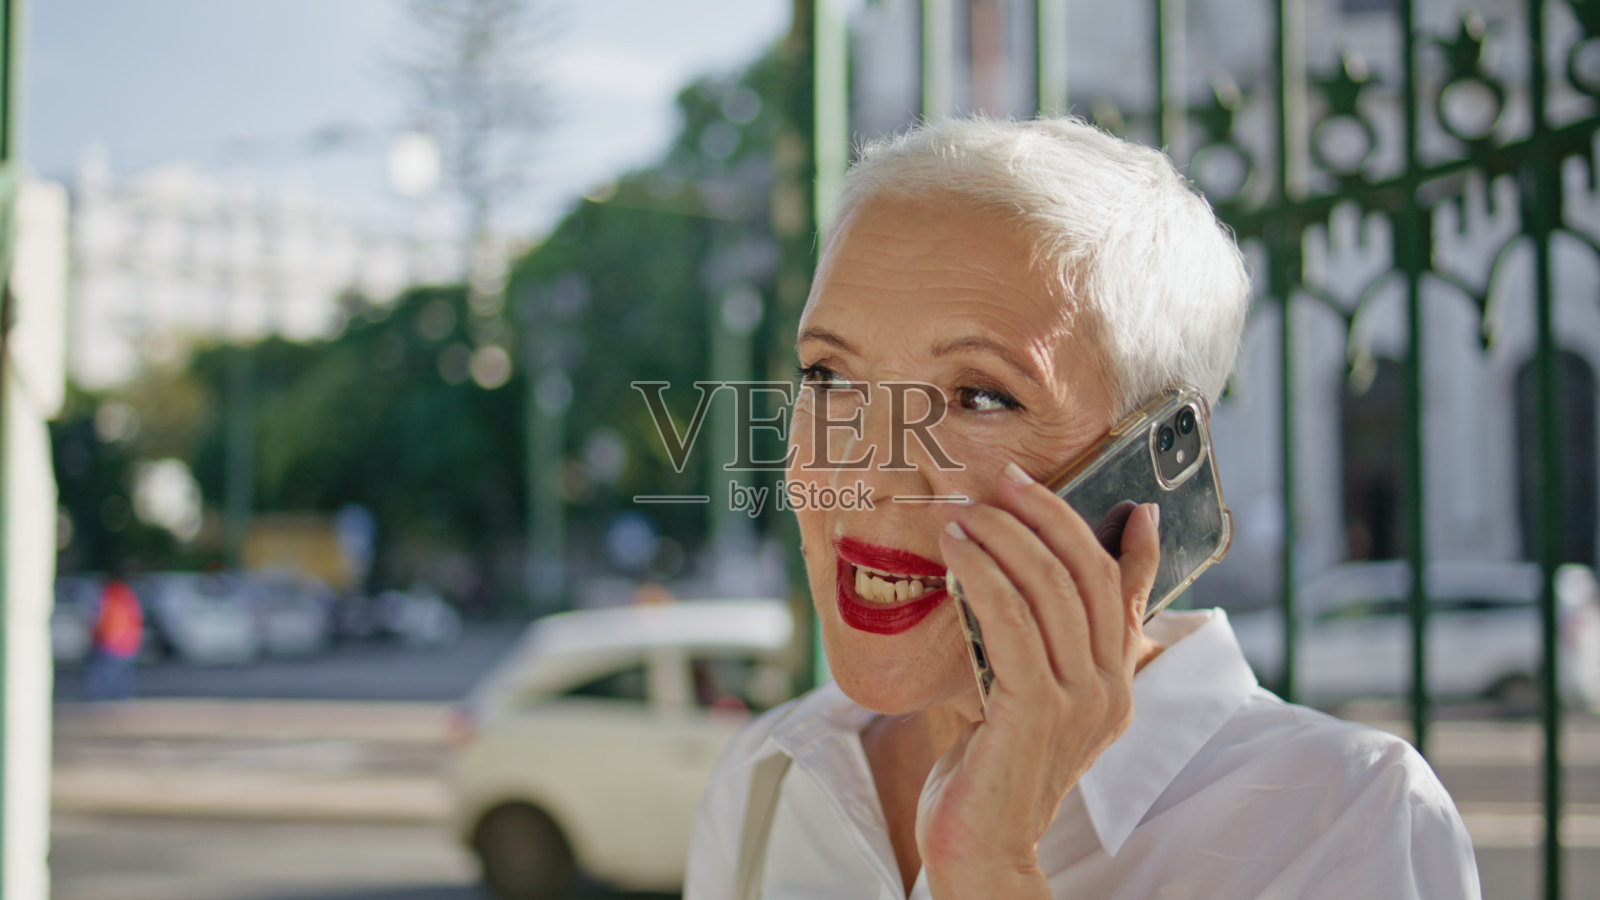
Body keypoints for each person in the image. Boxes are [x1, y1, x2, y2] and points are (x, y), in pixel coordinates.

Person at [684, 117, 1480, 899]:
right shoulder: (768, 780)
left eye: (979, 396)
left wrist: (989, 870)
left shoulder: (1348, 822)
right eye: (830, 377)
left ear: (1155, 458)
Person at [84, 571, 143, 701]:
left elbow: (105, 619)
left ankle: (97, 698)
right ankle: (123, 698)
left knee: (102, 673)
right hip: (127, 641)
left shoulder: (111, 596)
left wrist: (97, 634)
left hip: (111, 641)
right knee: (121, 674)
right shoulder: (127, 595)